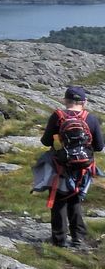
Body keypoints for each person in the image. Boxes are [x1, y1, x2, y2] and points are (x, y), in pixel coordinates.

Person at [41, 86, 104, 248]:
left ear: (65, 100)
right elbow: (99, 146)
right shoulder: (90, 118)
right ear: (84, 102)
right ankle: (78, 238)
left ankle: (59, 240)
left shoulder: (58, 116)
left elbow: (46, 141)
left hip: (59, 165)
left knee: (59, 201)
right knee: (75, 200)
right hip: (83, 167)